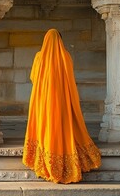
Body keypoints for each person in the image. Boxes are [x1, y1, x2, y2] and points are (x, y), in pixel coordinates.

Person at [22, 29, 101, 184]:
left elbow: (33, 78)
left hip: (42, 101)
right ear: (60, 41)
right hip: (63, 100)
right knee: (63, 127)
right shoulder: (66, 56)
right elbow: (70, 78)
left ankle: (45, 161)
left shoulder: (39, 57)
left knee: (45, 126)